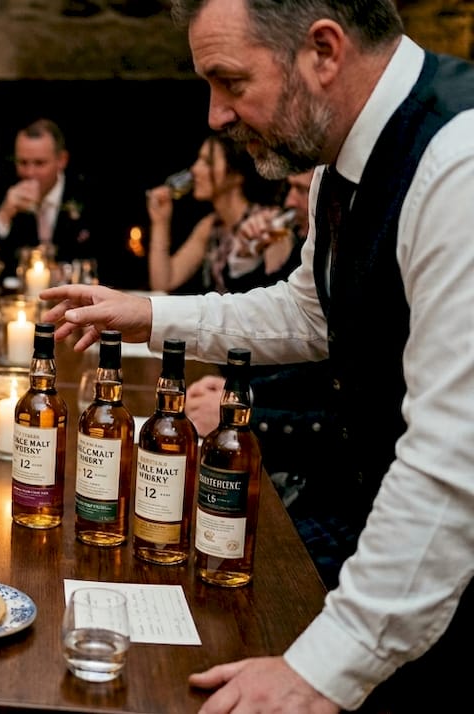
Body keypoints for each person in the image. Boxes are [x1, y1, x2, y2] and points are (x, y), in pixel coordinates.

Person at [41, 0, 474, 710]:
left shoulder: (458, 164)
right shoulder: (341, 163)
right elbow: (309, 310)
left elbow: (455, 457)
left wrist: (324, 668)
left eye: (231, 81)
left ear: (324, 51)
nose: (216, 115)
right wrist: (149, 314)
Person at [182, 169, 344, 587]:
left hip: (329, 492)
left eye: (298, 189)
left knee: (216, 548)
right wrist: (241, 392)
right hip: (311, 476)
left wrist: (247, 412)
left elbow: (323, 383)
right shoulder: (309, 244)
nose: (288, 201)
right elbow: (287, 351)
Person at [145, 133, 286, 294]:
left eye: (207, 162)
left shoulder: (265, 222)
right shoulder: (210, 226)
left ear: (236, 175)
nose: (194, 169)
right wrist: (160, 223)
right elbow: (163, 283)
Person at [0, 117, 94, 278]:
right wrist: (4, 216)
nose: (30, 173)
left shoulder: (87, 195)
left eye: (39, 163)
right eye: (23, 163)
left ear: (61, 160)